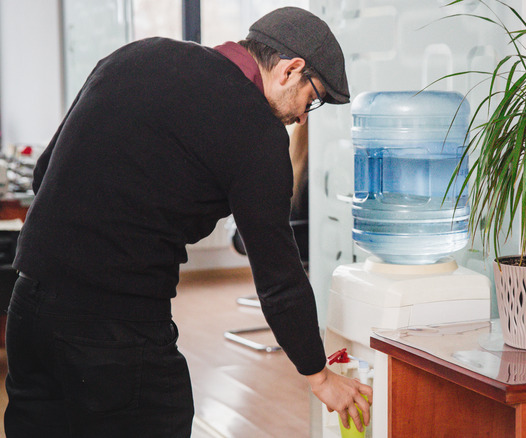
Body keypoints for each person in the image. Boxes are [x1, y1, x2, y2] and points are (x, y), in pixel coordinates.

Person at [4, 6, 371, 437]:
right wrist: (319, 376)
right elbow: (279, 278)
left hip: (27, 308)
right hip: (117, 327)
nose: (303, 117)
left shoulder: (136, 55)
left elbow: (43, 172)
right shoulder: (256, 130)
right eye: (313, 99)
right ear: (291, 70)